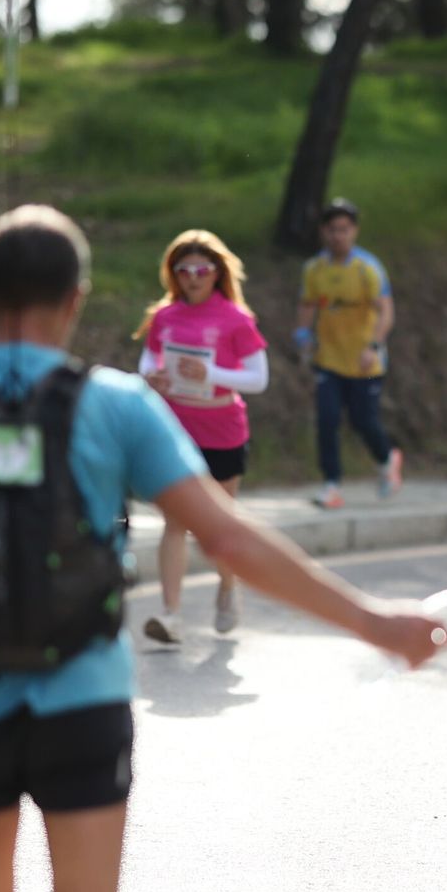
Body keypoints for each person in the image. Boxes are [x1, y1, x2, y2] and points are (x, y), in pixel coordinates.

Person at [0, 206, 446, 892]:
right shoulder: (115, 405)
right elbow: (227, 536)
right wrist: (375, 623)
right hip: (81, 701)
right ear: (77, 301)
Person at [134, 229, 269, 643]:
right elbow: (147, 361)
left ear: (216, 273)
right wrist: (151, 377)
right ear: (173, 274)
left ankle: (228, 587)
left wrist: (211, 374)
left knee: (218, 528)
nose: (193, 277)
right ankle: (170, 616)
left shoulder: (236, 319)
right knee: (174, 523)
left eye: (201, 269)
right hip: (175, 429)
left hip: (222, 431)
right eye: (184, 269)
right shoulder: (164, 317)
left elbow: (258, 378)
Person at [294, 198, 403, 510]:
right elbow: (307, 304)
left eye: (344, 229)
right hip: (329, 359)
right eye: (331, 230)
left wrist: (374, 346)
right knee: (327, 420)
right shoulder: (314, 269)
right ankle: (331, 485)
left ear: (354, 231)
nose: (337, 236)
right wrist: (302, 334)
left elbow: (386, 313)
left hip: (364, 360)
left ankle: (386, 459)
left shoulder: (367, 268)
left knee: (363, 420)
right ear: (322, 232)